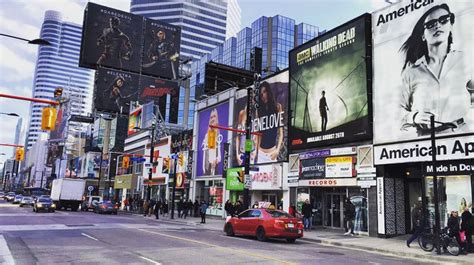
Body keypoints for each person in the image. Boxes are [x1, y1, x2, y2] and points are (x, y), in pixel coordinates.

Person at [399, 4, 472, 136]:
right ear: (423, 35)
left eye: (443, 19)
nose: (437, 25)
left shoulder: (467, 60)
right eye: (431, 24)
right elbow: (397, 111)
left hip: (462, 137)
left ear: (450, 25)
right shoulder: (411, 72)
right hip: (424, 142)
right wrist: (414, 117)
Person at [254, 82, 284, 163]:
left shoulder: (277, 107)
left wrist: (277, 150)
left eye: (265, 92)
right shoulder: (259, 111)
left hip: (272, 153)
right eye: (261, 94)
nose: (263, 95)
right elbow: (258, 135)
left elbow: (281, 133)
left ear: (268, 92)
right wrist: (256, 152)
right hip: (261, 153)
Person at [202, 109, 221, 175]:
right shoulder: (207, 135)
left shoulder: (218, 134)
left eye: (214, 116)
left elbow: (219, 150)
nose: (212, 119)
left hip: (215, 167)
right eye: (211, 117)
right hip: (207, 167)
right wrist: (204, 168)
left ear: (217, 118)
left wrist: (216, 160)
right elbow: (205, 152)